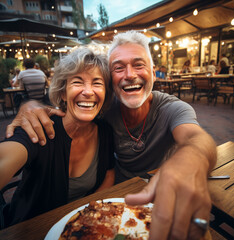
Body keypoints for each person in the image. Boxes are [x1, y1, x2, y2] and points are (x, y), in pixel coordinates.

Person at [5, 31, 217, 240]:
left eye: (138, 64)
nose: (130, 74)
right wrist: (30, 105)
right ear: (111, 83)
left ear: (154, 72)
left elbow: (195, 138)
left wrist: (191, 160)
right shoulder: (93, 113)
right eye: (118, 67)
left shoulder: (170, 109)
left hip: (141, 204)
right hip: (57, 222)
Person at [0, 48, 115, 228]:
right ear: (62, 92)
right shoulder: (40, 127)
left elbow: (109, 174)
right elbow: (7, 156)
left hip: (78, 228)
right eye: (78, 82)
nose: (88, 91)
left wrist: (86, 216)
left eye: (97, 83)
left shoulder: (105, 131)